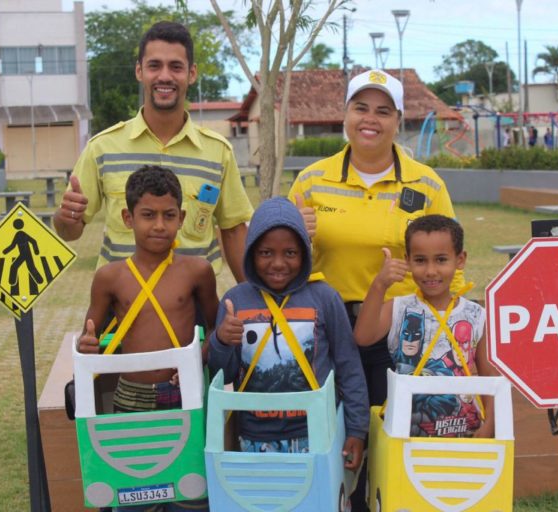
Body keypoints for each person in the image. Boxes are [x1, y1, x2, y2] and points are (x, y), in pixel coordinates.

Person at [288, 68, 461, 510]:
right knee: (332, 435)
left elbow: (450, 263)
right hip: (327, 326)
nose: (371, 119)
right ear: (345, 113)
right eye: (361, 108)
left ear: (398, 120)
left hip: (401, 329)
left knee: (391, 433)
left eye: (384, 111)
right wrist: (299, 233)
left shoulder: (426, 184)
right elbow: (283, 258)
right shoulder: (311, 181)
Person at [54, 21, 253, 282]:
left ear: (192, 73)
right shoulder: (102, 148)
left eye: (176, 67)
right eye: (154, 65)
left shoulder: (218, 152)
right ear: (139, 71)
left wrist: (252, 301)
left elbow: (233, 230)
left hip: (194, 310)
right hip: (122, 308)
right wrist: (66, 217)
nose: (165, 76)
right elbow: (70, 231)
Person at [77, 165, 218, 512]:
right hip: (130, 398)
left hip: (184, 395)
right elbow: (89, 339)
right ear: (127, 217)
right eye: (147, 215)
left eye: (169, 215)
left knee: (191, 495)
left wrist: (199, 356)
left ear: (182, 217)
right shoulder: (109, 278)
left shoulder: (197, 271)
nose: (159, 225)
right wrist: (88, 346)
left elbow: (217, 332)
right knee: (133, 493)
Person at [208, 197, 368, 476]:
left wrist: (357, 429)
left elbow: (349, 366)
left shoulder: (325, 297)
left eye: (290, 253)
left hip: (318, 436)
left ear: (304, 253)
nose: (278, 263)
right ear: (250, 253)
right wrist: (222, 341)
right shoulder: (236, 301)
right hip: (254, 438)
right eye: (266, 253)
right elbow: (224, 373)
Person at [353, 214, 496, 439]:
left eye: (441, 260)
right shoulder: (398, 308)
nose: (430, 271)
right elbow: (363, 337)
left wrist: (491, 424)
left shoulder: (478, 316)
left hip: (465, 434)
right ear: (407, 260)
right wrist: (380, 284)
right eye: (420, 260)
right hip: (405, 436)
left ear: (460, 259)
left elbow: (491, 377)